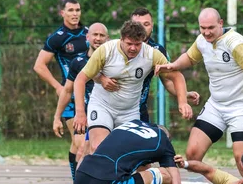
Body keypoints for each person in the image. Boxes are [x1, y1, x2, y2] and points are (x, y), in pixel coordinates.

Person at [155, 8, 243, 176]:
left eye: (211, 28)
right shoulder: (202, 41)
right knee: (192, 155)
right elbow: (191, 57)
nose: (206, 32)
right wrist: (173, 65)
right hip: (216, 106)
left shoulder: (236, 44)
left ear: (220, 23)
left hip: (242, 108)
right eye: (203, 28)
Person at [72, 20, 191, 153]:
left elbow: (177, 76)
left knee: (132, 156)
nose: (133, 48)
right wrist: (80, 113)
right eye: (129, 44)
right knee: (99, 148)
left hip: (129, 111)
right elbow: (80, 80)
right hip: (102, 106)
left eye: (137, 44)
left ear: (143, 41)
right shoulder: (106, 51)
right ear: (121, 39)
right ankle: (85, 173)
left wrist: (183, 102)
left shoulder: (151, 54)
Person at [93, 7, 199, 122]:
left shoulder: (156, 52)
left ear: (152, 26)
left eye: (146, 24)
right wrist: (101, 78)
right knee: (93, 139)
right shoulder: (113, 47)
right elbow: (89, 72)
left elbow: (168, 81)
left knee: (157, 135)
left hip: (137, 110)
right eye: (138, 24)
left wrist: (184, 95)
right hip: (107, 106)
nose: (142, 28)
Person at [33, 0, 88, 182]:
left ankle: (77, 182)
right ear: (62, 13)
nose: (75, 14)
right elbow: (39, 66)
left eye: (77, 10)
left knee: (78, 143)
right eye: (71, 10)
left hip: (93, 95)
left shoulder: (90, 35)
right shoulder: (57, 37)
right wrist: (58, 86)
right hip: (71, 97)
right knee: (82, 144)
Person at [52, 22, 109, 176]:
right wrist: (57, 117)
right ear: (87, 37)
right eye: (95, 35)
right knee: (82, 147)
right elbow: (67, 90)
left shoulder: (112, 62)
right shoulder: (78, 62)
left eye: (101, 35)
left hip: (107, 114)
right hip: (83, 114)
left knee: (99, 151)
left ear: (107, 38)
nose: (98, 38)